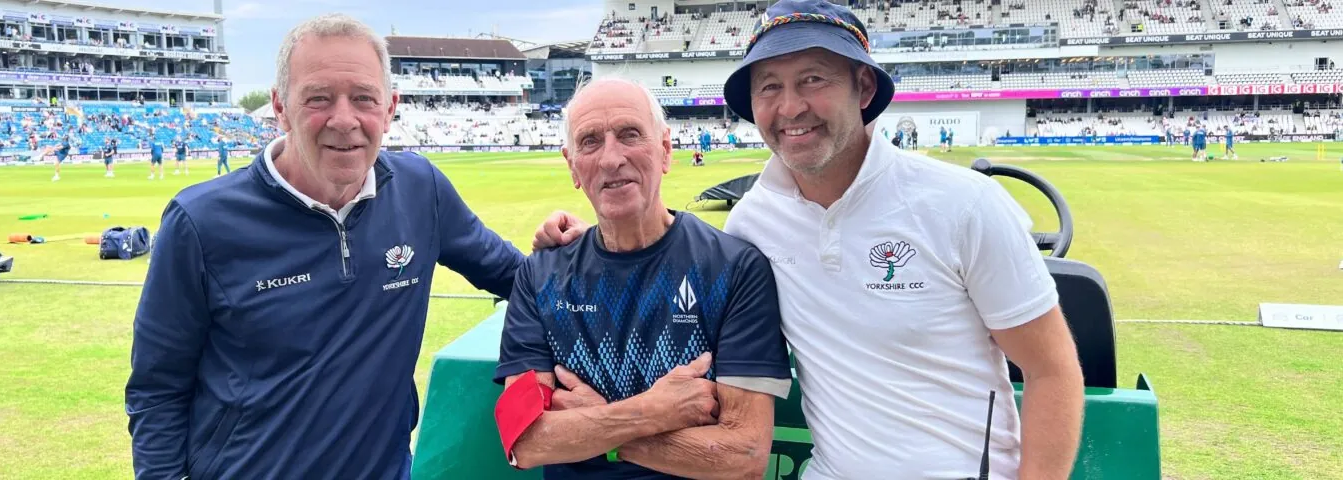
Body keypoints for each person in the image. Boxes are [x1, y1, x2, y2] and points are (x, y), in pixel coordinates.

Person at [531, 1, 1085, 479]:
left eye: (813, 79)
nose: (790, 107)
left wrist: (600, 429)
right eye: (769, 86)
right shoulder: (753, 222)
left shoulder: (964, 204)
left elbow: (1051, 370)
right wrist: (597, 240)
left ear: (863, 86)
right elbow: (674, 252)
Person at [124, 14, 525, 480]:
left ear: (390, 107)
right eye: (318, 98)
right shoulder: (201, 222)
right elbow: (157, 389)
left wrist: (580, 248)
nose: (343, 119)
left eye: (363, 99)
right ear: (280, 106)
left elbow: (516, 275)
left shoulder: (422, 191)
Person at [493, 77, 791, 480]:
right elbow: (525, 440)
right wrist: (652, 411)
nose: (611, 158)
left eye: (630, 134)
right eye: (590, 141)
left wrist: (600, 430)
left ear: (665, 150)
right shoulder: (539, 276)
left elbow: (744, 455)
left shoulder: (734, 268)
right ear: (572, 167)